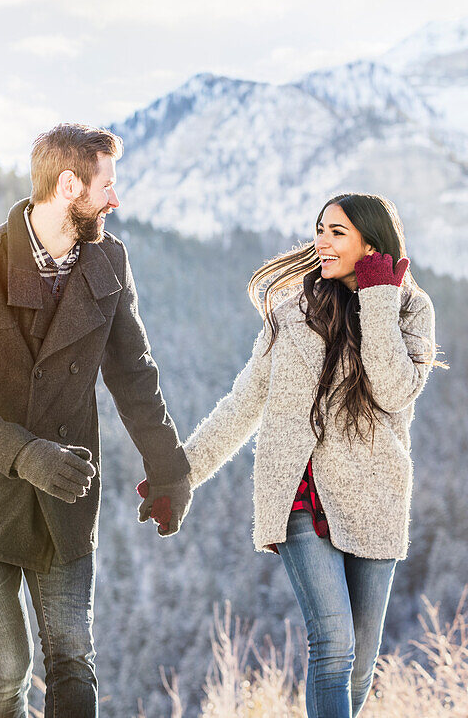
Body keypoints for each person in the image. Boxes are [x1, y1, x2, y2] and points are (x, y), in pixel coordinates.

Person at [0, 123, 192, 718]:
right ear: (69, 186)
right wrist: (24, 453)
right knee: (9, 666)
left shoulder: (108, 260)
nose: (115, 199)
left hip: (64, 494)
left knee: (72, 658)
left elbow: (133, 373)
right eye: (106, 185)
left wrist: (170, 470)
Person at [171, 193, 442, 718]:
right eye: (320, 229)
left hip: (374, 498)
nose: (322, 241)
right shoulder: (293, 309)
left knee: (360, 663)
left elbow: (393, 390)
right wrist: (182, 472)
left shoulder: (412, 308)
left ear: (371, 241)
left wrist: (378, 300)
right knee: (333, 644)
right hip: (299, 492)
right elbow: (245, 399)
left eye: (337, 232)